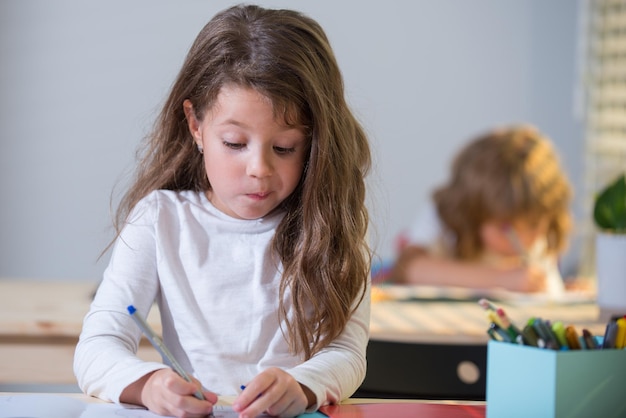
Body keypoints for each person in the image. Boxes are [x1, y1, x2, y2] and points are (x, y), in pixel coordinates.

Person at [74, 5, 372, 418]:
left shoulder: (332, 225)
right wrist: (150, 386)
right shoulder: (160, 221)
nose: (259, 170)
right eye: (234, 142)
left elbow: (347, 352)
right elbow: (96, 347)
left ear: (316, 142)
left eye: (284, 148)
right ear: (195, 125)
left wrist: (304, 385)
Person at [390, 125, 574, 297]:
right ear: (474, 213)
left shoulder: (539, 226)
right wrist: (502, 280)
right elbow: (409, 269)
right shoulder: (445, 214)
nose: (523, 239)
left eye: (533, 225)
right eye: (505, 227)